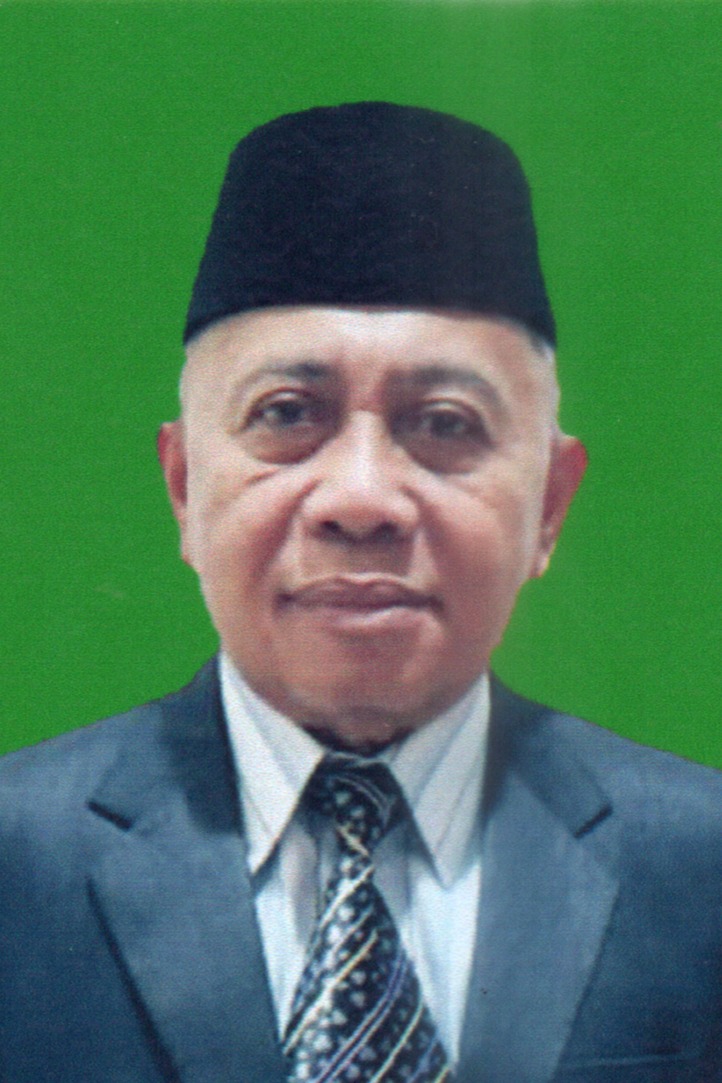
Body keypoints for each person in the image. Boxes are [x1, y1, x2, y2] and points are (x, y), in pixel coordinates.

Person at [0, 102, 720, 1083]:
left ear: (549, 505)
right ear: (184, 489)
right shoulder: (17, 861)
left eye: (446, 424)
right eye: (287, 414)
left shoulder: (702, 867)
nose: (363, 498)